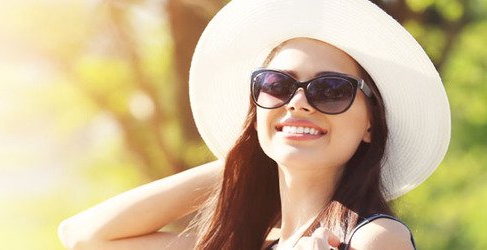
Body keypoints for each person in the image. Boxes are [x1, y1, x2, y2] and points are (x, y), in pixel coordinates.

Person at [57, 0, 451, 249]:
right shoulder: (245, 244)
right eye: (276, 85)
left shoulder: (374, 239)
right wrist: (244, 159)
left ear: (370, 126)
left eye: (331, 90)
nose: (297, 102)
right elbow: (84, 237)